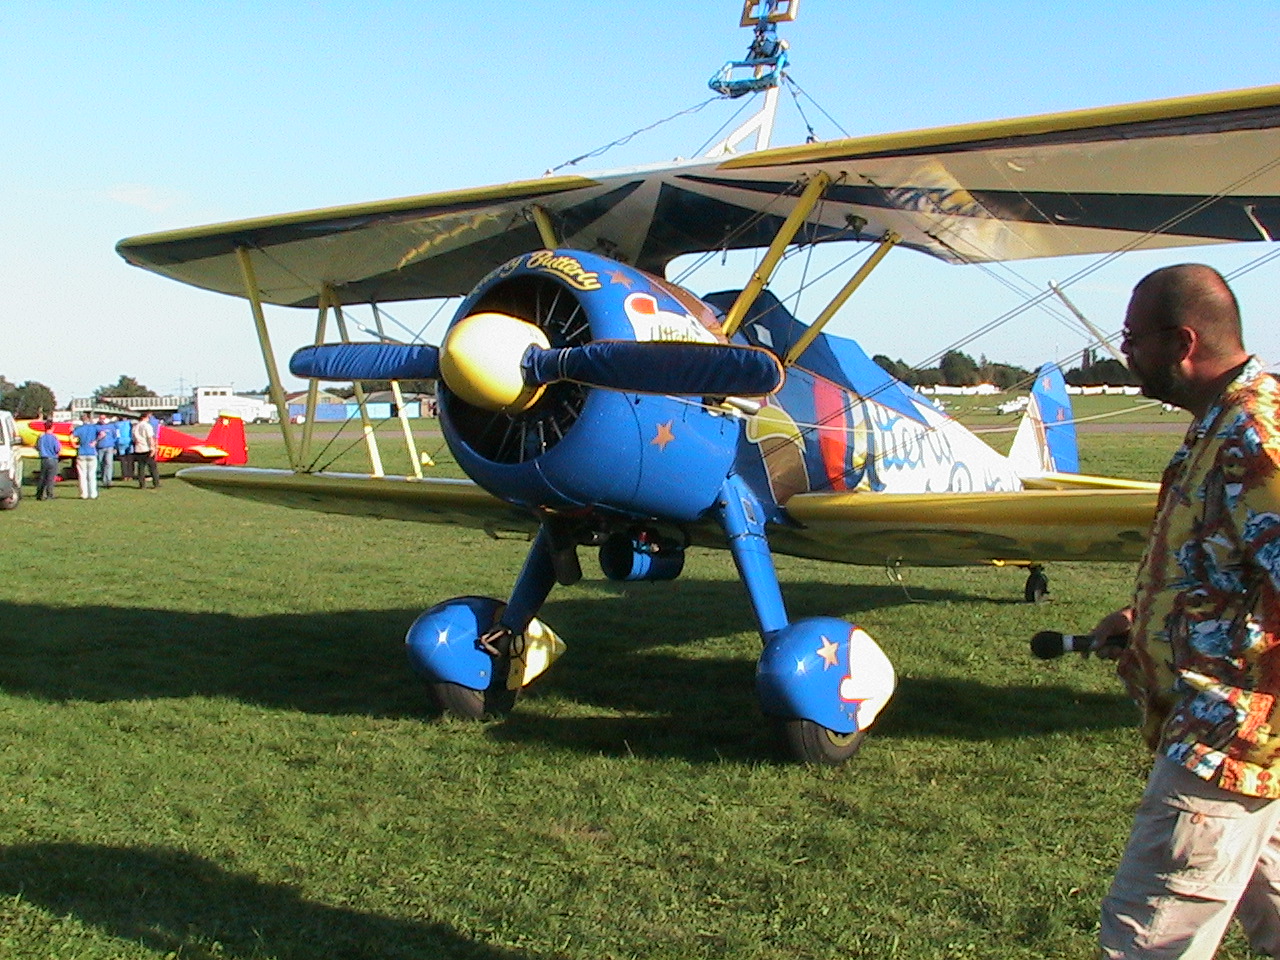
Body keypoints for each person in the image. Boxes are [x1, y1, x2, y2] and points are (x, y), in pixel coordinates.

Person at [1091, 264, 1280, 958]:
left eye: (1133, 338)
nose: (1125, 352)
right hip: (1244, 744)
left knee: (1147, 941)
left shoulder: (1253, 437)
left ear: (1182, 342)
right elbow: (1229, 565)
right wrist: (1145, 626)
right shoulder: (1222, 423)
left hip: (1224, 739)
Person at [71, 413, 103, 499]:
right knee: (92, 475)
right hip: (92, 452)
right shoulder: (94, 427)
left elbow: (71, 436)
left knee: (82, 475)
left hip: (81, 452)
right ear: (89, 419)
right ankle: (93, 494)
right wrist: (95, 441)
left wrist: (74, 445)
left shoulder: (79, 429)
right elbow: (103, 434)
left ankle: (84, 494)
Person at [132, 413, 159, 489]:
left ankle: (142, 484)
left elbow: (134, 439)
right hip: (147, 448)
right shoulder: (147, 426)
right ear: (145, 418)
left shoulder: (135, 427)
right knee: (152, 467)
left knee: (141, 468)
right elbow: (150, 437)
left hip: (138, 449)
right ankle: (156, 483)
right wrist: (153, 448)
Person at [35, 420, 60, 500]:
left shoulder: (41, 437)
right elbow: (57, 449)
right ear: (52, 427)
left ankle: (39, 494)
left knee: (42, 477)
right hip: (52, 459)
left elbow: (37, 447)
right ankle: (49, 494)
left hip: (44, 459)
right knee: (51, 478)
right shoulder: (54, 437)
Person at [95, 414, 115, 488]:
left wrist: (114, 444)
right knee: (101, 463)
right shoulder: (96, 426)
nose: (102, 420)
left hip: (109, 447)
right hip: (100, 447)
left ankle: (109, 480)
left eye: (104, 418)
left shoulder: (111, 426)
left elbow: (115, 436)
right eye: (101, 418)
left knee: (109, 463)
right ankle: (103, 479)